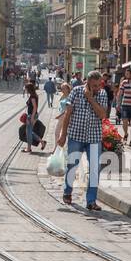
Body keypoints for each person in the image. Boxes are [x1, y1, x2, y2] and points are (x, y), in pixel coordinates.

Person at [54, 70, 110, 212]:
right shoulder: (76, 92)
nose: (97, 88)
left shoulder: (102, 94)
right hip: (75, 136)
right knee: (72, 166)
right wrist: (63, 134)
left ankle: (91, 201)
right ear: (87, 83)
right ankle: (67, 192)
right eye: (94, 85)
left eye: (99, 85)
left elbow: (103, 114)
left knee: (94, 170)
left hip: (94, 138)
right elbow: (68, 114)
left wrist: (91, 98)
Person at [20, 81, 43, 153]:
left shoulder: (33, 96)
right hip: (32, 115)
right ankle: (42, 142)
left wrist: (32, 117)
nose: (25, 89)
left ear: (29, 89)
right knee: (30, 131)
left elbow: (35, 107)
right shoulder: (34, 95)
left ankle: (28, 148)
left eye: (26, 88)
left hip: (31, 115)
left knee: (28, 133)